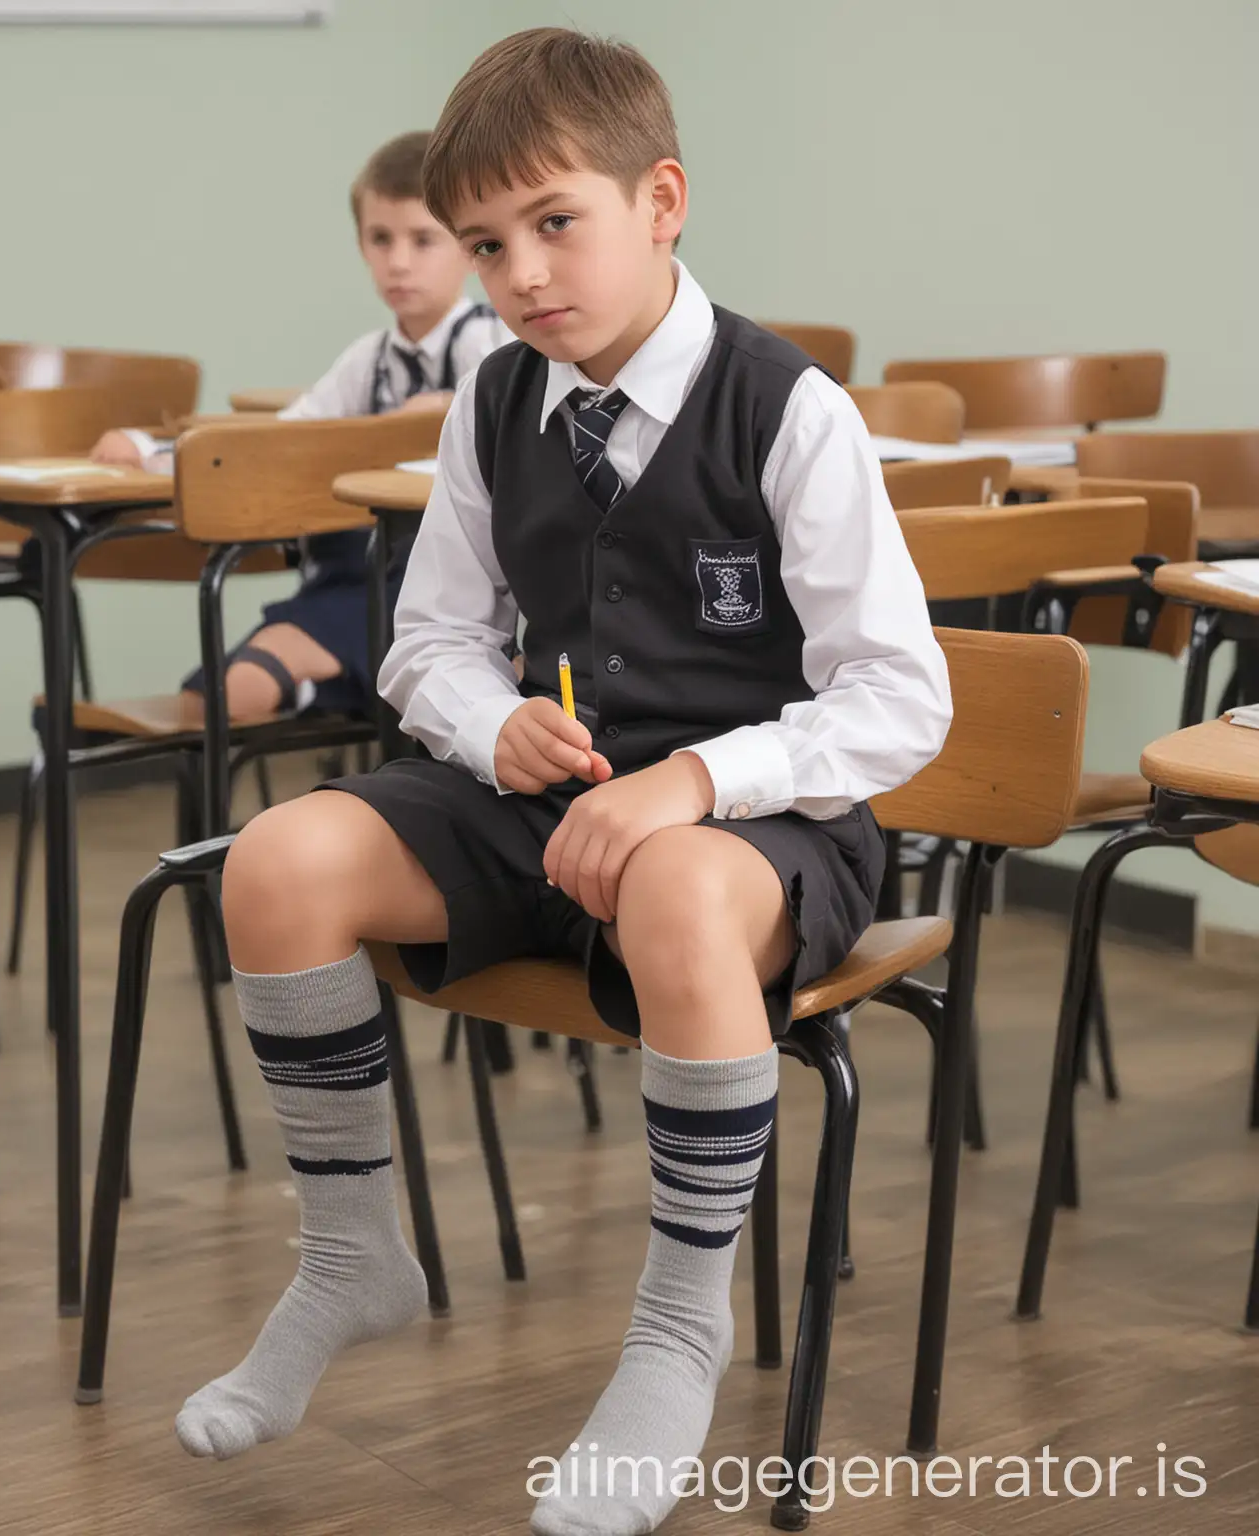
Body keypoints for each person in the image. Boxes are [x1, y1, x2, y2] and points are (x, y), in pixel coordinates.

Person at [176, 29, 952, 1535]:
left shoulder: (787, 409)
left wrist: (698, 784)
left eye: (554, 223)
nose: (520, 275)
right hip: (554, 803)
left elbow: (899, 699)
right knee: (274, 862)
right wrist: (487, 726)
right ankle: (351, 1257)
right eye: (486, 245)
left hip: (768, 829)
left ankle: (678, 1335)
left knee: (667, 872)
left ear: (661, 200)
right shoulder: (492, 405)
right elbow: (426, 645)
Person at [91, 129, 509, 720]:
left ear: (467, 245)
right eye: (380, 239)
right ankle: (323, 694)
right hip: (343, 586)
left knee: (236, 690)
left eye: (424, 240)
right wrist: (152, 446)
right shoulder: (367, 360)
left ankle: (326, 692)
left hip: (438, 595)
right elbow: (281, 443)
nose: (399, 262)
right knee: (206, 698)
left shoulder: (499, 348)